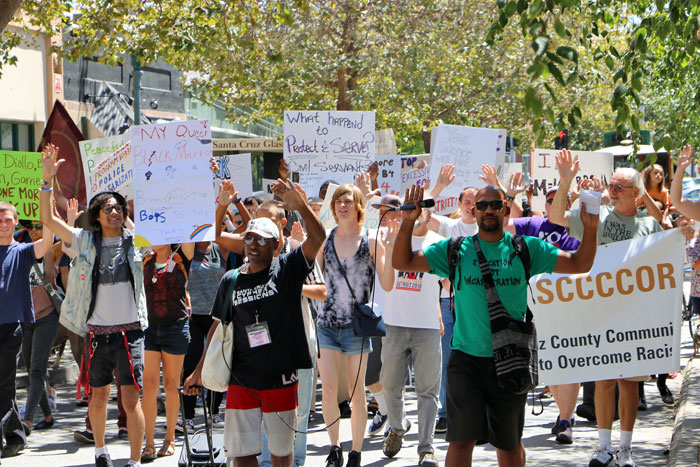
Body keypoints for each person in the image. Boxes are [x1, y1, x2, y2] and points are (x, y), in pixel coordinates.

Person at [392, 182, 599, 467]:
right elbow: (402, 261)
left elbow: (580, 264)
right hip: (466, 361)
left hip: (510, 361)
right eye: (482, 205)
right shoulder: (455, 249)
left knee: (509, 443)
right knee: (461, 441)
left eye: (494, 205)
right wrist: (407, 223)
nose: (488, 210)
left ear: (505, 208)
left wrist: (591, 227)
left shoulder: (527, 249)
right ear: (474, 211)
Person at [184, 178, 326, 467]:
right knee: (242, 454)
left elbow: (318, 238)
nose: (252, 243)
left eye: (260, 239)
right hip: (241, 380)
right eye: (248, 237)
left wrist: (301, 207)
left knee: (281, 454)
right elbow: (217, 327)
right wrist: (198, 371)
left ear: (276, 244)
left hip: (281, 380)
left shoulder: (288, 268)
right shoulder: (231, 279)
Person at [549, 150, 663, 467]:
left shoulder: (648, 227)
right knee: (602, 381)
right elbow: (556, 218)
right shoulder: (595, 217)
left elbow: (663, 265)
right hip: (600, 311)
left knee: (629, 383)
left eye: (618, 187)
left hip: (635, 315)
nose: (611, 191)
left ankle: (625, 451)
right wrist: (565, 181)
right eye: (610, 186)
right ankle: (603, 448)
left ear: (636, 195)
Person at [39, 144, 147, 467]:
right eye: (108, 209)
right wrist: (47, 180)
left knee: (131, 398)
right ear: (97, 217)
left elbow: (171, 232)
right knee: (98, 395)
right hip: (98, 334)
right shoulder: (85, 241)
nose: (115, 212)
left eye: (119, 208)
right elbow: (49, 219)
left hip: (131, 333)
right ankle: (101, 451)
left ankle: (135, 459)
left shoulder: (138, 240)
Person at [316, 182, 395, 467]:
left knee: (356, 390)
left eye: (348, 200)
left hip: (356, 328)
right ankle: (334, 448)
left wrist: (389, 249)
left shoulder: (371, 241)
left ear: (359, 207)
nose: (342, 205)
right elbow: (317, 282)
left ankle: (356, 452)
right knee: (328, 390)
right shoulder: (325, 239)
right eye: (338, 201)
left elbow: (387, 283)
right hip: (326, 323)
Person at [504, 186, 581, 444]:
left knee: (569, 364)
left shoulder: (577, 227)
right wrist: (509, 195)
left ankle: (566, 420)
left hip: (572, 307)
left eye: (563, 200)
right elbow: (503, 225)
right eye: (551, 200)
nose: (555, 204)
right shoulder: (534, 224)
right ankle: (563, 414)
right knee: (551, 367)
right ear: (545, 204)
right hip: (538, 309)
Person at [380, 207, 444, 467]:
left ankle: (426, 448)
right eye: (410, 208)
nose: (416, 213)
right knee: (391, 386)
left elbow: (448, 283)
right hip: (394, 324)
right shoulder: (390, 236)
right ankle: (397, 427)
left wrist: (441, 312)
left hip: (426, 326)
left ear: (430, 214)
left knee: (427, 390)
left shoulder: (438, 244)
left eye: (422, 210)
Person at [0, 201, 54, 457]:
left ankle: (13, 436)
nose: (3, 224)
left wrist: (48, 203)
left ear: (16, 222)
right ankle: (15, 434)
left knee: (5, 384)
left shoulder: (21, 251)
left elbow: (46, 242)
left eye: (8, 219)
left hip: (10, 328)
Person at [140, 242, 194, 461]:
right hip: (149, 328)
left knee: (171, 384)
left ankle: (170, 438)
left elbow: (190, 233)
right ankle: (149, 442)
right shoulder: (144, 259)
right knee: (149, 385)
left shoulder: (182, 257)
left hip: (175, 327)